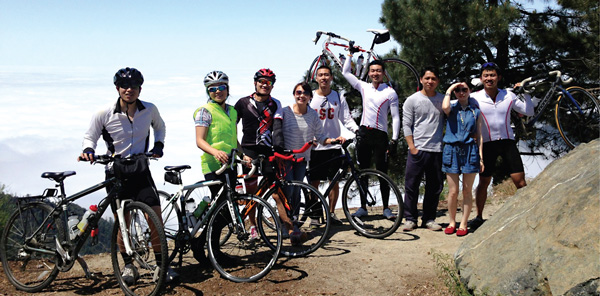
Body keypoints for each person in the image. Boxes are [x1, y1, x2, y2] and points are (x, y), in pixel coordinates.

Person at [79, 67, 178, 283]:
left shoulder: (149, 110)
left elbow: (160, 127)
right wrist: (88, 150)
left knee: (155, 219)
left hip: (141, 169)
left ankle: (162, 267)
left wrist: (159, 145)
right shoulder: (104, 113)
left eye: (133, 86)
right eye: (124, 86)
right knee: (121, 221)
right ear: (117, 88)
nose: (129, 90)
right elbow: (90, 136)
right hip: (116, 171)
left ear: (140, 89)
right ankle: (128, 266)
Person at [470, 62, 534, 229]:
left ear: (498, 77)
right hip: (487, 144)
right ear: (481, 78)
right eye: (486, 75)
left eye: (492, 75)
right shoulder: (475, 97)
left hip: (507, 141)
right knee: (484, 182)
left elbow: (529, 111)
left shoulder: (509, 95)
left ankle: (529, 211)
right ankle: (478, 216)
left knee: (519, 181)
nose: (489, 78)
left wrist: (525, 93)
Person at [342, 50, 400, 219]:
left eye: (378, 71)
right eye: (372, 71)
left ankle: (386, 208)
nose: (375, 73)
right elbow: (346, 73)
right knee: (363, 172)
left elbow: (396, 117)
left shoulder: (390, 92)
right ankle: (362, 207)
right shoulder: (364, 86)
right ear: (369, 72)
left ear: (383, 73)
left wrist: (395, 140)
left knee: (383, 172)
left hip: (380, 136)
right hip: (364, 135)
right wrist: (350, 56)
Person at [191, 70, 242, 264]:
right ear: (208, 91)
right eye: (212, 89)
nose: (217, 91)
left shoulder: (232, 111)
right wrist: (215, 152)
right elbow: (199, 140)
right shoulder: (204, 111)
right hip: (213, 166)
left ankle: (202, 244)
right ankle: (214, 253)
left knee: (225, 210)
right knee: (223, 211)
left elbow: (233, 139)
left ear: (228, 89)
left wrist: (243, 156)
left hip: (231, 164)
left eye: (221, 87)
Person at [234, 68, 286, 238]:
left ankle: (285, 225)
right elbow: (231, 126)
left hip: (267, 151)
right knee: (251, 192)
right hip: (248, 151)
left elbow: (277, 129)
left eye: (269, 82)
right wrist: (239, 152)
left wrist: (279, 151)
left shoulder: (275, 103)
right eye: (262, 81)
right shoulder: (242, 103)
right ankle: (253, 227)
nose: (265, 85)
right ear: (255, 83)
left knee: (276, 192)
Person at [282, 82, 335, 243]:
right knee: (287, 192)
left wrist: (333, 140)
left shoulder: (312, 115)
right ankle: (284, 225)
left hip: (302, 158)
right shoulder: (285, 112)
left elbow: (320, 136)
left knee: (297, 192)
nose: (301, 95)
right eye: (298, 92)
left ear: (310, 97)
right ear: (294, 94)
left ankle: (294, 224)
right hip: (285, 159)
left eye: (305, 93)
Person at [308, 65, 358, 225]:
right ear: (316, 78)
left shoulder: (338, 96)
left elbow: (346, 118)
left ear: (331, 78)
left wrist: (357, 130)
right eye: (320, 75)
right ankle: (315, 215)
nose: (324, 78)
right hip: (316, 147)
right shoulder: (310, 98)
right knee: (314, 182)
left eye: (327, 75)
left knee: (334, 181)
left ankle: (331, 213)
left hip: (335, 146)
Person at [401, 66, 445, 232]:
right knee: (411, 185)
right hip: (418, 149)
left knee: (434, 187)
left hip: (436, 149)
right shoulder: (412, 100)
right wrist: (412, 147)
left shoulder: (442, 99)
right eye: (427, 78)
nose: (430, 81)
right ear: (421, 80)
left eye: (433, 79)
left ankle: (429, 218)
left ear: (437, 81)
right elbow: (406, 124)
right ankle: (410, 219)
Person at [441, 80, 484, 236]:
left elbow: (479, 135)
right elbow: (444, 107)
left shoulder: (476, 111)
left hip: (470, 150)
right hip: (451, 150)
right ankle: (452, 222)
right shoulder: (451, 108)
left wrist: (481, 157)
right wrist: (450, 88)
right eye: (458, 90)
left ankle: (464, 223)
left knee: (467, 191)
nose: (461, 92)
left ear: (470, 91)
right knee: (453, 191)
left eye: (464, 89)